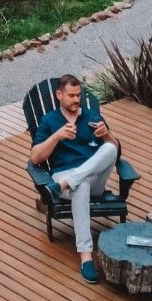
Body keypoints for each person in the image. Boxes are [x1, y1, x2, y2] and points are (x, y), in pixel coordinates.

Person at [29, 74, 120, 284]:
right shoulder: (49, 120)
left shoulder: (92, 116)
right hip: (65, 174)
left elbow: (114, 153)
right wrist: (57, 136)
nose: (76, 100)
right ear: (59, 95)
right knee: (81, 185)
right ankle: (86, 257)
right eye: (71, 95)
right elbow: (35, 157)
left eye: (79, 95)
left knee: (109, 149)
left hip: (86, 178)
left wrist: (107, 136)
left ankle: (64, 185)